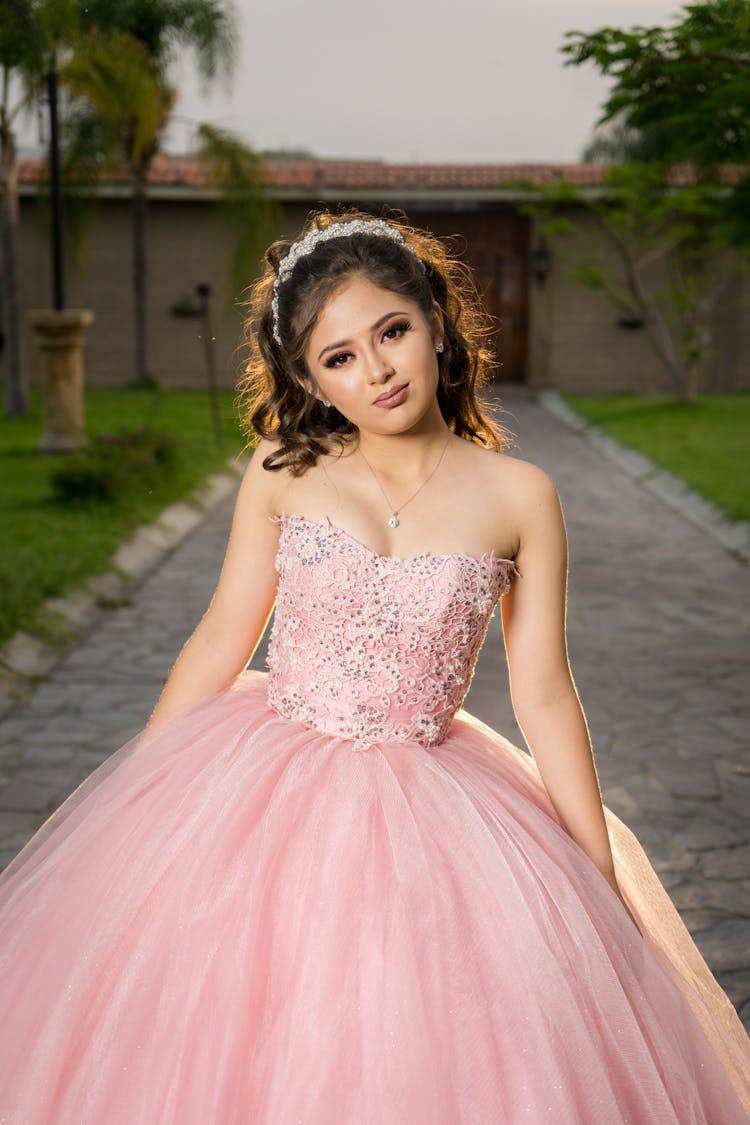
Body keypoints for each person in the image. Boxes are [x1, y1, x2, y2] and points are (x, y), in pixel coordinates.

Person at [0, 210, 748, 1125]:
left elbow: (545, 691)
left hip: (436, 802)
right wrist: (137, 803)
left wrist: (597, 870)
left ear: (435, 318)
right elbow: (217, 639)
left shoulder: (520, 495)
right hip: (266, 776)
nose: (378, 370)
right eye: (339, 357)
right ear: (309, 377)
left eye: (390, 331)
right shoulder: (285, 471)